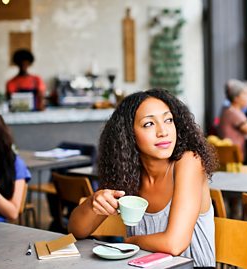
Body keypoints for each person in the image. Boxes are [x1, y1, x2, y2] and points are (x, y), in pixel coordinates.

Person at [68, 89, 218, 268]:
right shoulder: (128, 174)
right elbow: (76, 231)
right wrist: (94, 201)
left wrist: (130, 242)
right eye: (149, 124)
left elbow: (174, 244)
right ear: (128, 135)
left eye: (168, 120)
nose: (163, 131)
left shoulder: (189, 162)